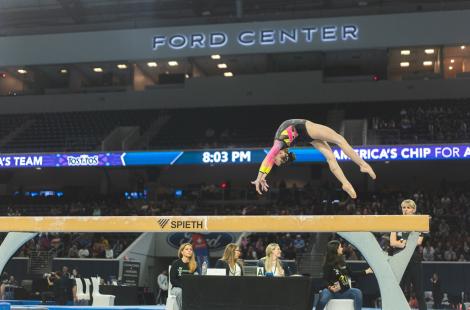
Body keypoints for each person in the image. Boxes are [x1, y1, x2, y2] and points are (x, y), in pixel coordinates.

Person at [251, 119, 376, 198]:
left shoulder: (278, 145)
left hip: (304, 128)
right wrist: (262, 176)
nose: (273, 162)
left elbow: (268, 159)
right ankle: (357, 170)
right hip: (305, 132)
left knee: (332, 154)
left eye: (275, 160)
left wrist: (259, 178)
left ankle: (347, 181)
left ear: (280, 154)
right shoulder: (280, 147)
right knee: (337, 144)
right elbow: (269, 161)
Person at [390, 199, 426, 310]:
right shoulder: (396, 222)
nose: (405, 210)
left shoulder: (419, 222)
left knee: (419, 291)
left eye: (408, 208)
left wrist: (401, 243)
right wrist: (400, 244)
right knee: (401, 290)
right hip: (399, 259)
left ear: (414, 210)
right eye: (404, 208)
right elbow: (392, 242)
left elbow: (419, 241)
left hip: (413, 259)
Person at [316, 240, 373, 310]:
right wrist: (330, 287)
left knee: (357, 292)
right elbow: (324, 280)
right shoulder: (328, 264)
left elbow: (351, 274)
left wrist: (367, 271)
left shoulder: (342, 262)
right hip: (331, 291)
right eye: (340, 247)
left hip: (344, 291)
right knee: (323, 298)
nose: (342, 248)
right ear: (335, 249)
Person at [169, 243, 197, 310]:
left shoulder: (194, 264)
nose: (189, 251)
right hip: (177, 288)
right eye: (187, 249)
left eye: (191, 249)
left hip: (189, 287)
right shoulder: (176, 263)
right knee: (180, 291)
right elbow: (173, 280)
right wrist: (183, 286)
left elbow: (195, 279)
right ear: (182, 252)